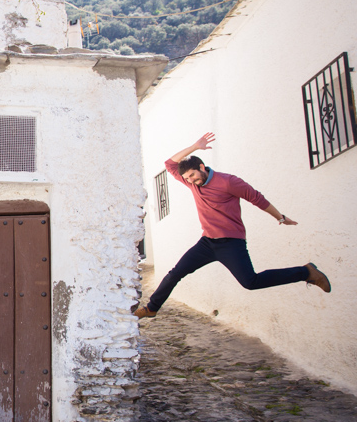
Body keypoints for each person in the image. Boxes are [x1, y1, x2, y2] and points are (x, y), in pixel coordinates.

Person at [134, 132, 331, 319]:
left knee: (250, 282)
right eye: (187, 179)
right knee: (175, 273)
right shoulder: (192, 183)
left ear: (202, 167)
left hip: (231, 243)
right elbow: (169, 164)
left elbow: (257, 198)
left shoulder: (228, 182)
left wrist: (280, 217)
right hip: (207, 242)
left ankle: (306, 272)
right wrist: (195, 146)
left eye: (193, 176)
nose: (191, 181)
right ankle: (151, 308)